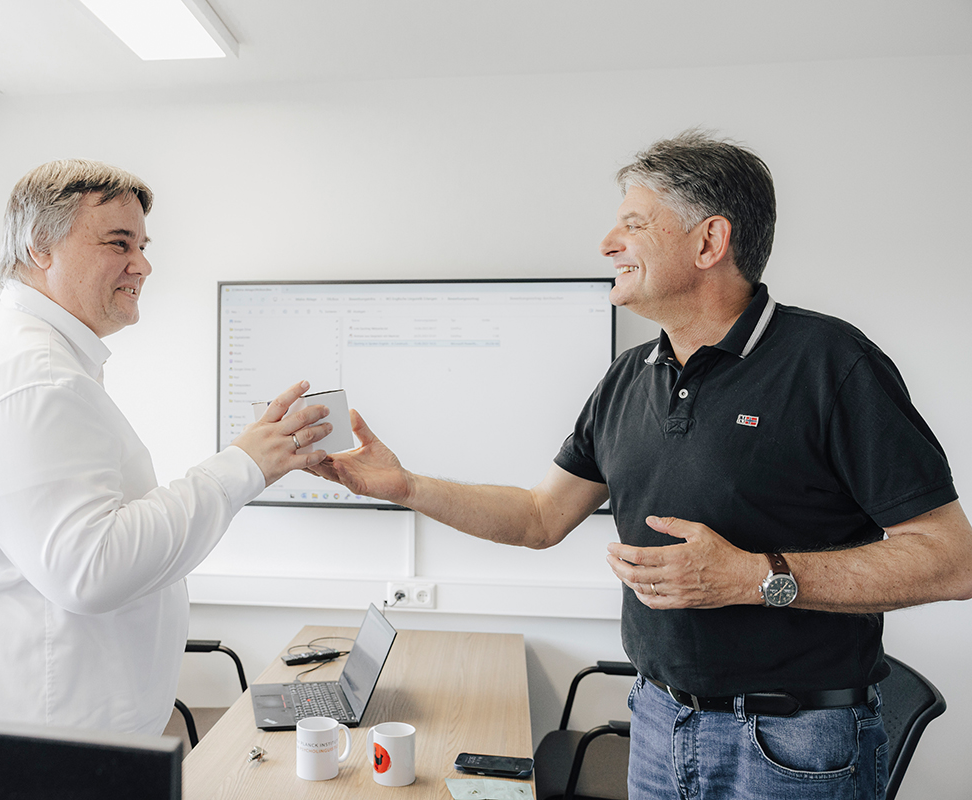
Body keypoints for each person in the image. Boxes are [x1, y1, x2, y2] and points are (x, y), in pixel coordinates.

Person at [315, 131, 972, 798]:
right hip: (658, 721)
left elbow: (952, 560)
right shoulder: (629, 377)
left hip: (793, 743)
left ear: (709, 242)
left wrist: (753, 577)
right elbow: (540, 517)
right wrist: (407, 487)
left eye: (632, 224)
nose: (607, 244)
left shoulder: (831, 364)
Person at [0, 159, 333, 734]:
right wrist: (242, 467)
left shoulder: (35, 358)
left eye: (142, 245)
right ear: (40, 246)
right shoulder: (30, 373)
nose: (142, 264)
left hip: (19, 737)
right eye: (119, 243)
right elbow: (90, 569)